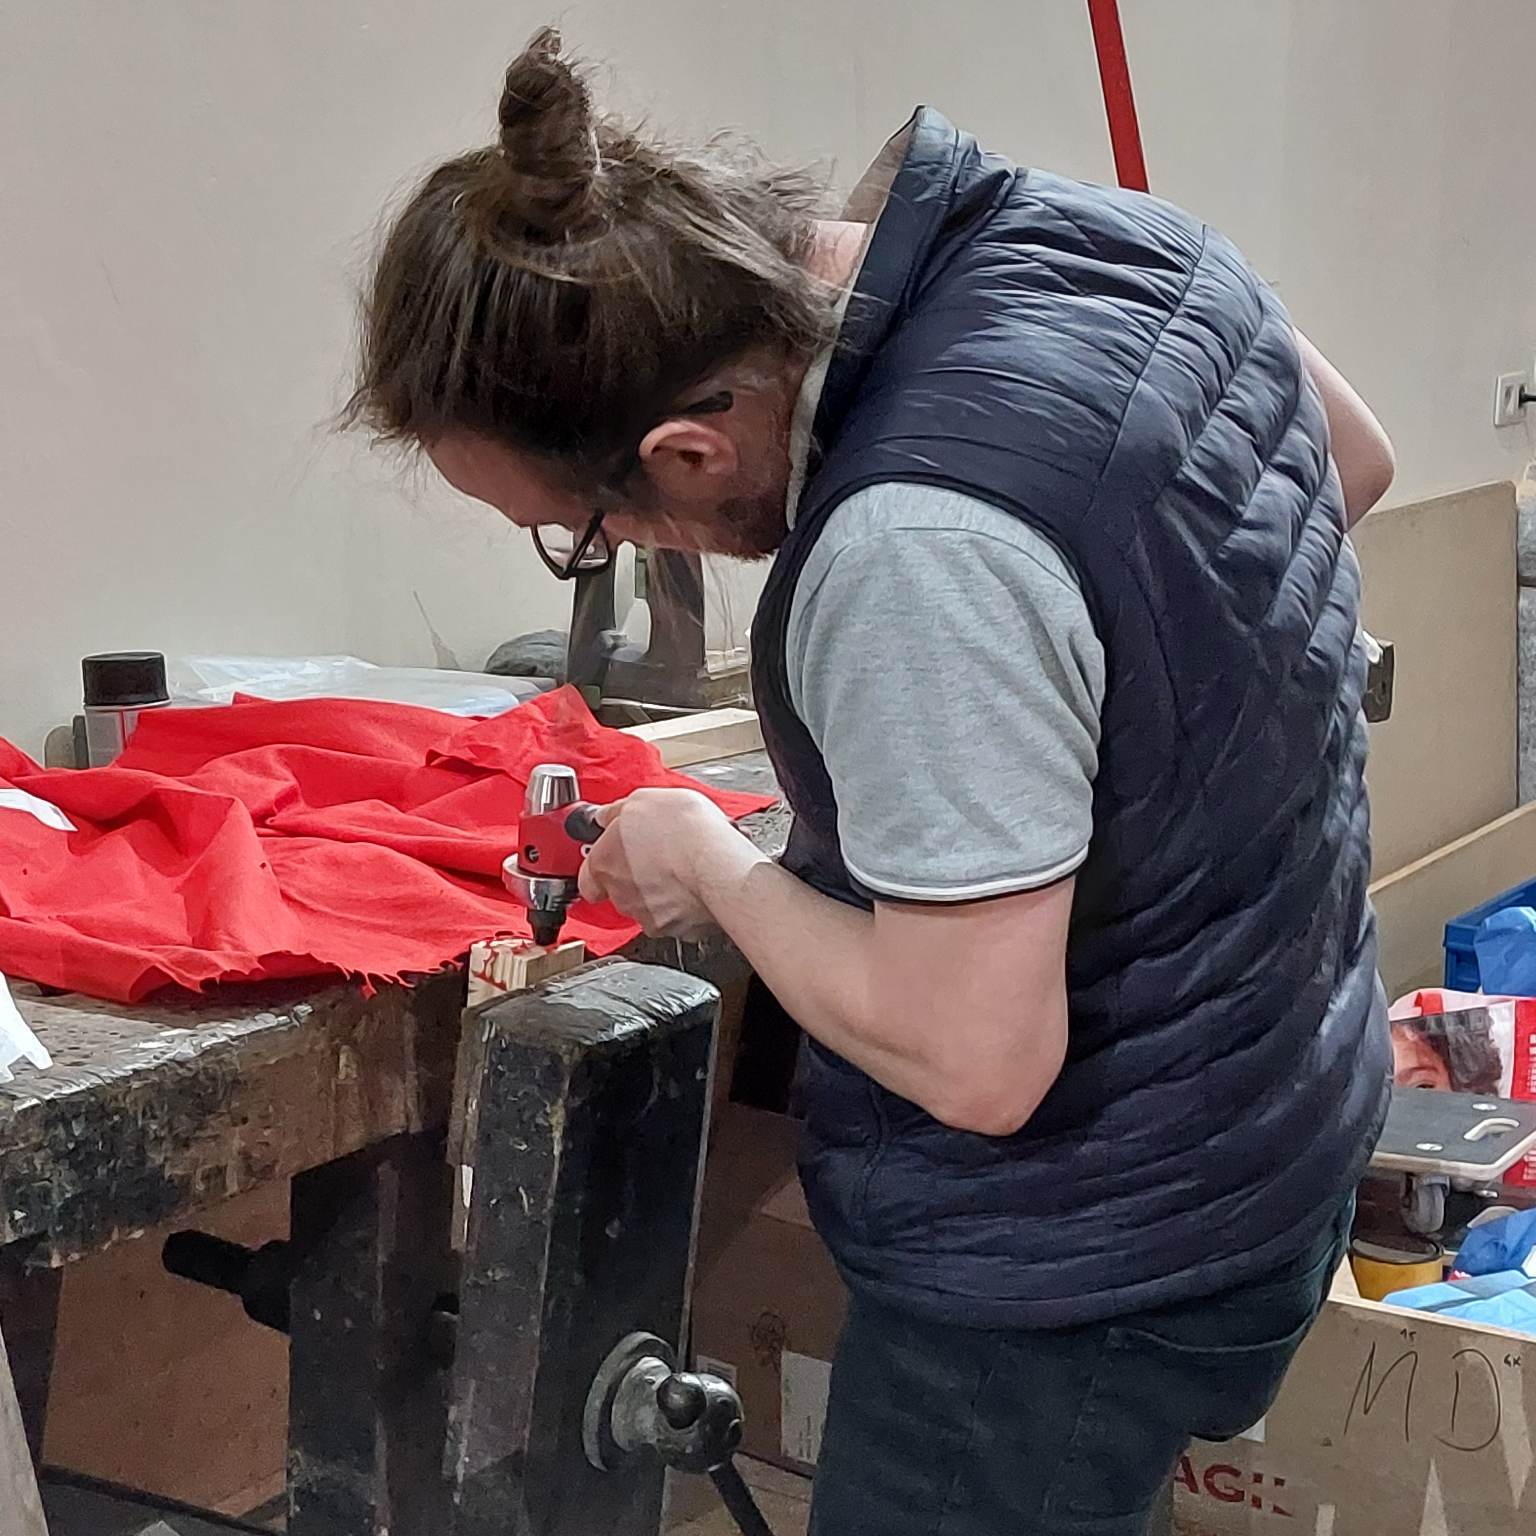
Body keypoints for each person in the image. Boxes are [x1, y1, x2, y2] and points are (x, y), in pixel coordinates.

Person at [347, 30, 1395, 1534]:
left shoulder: (915, 546)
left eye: (582, 530)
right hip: (1270, 1111)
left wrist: (709, 861)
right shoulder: (1098, 240)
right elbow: (1348, 464)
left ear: (688, 451)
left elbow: (978, 1060)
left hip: (1075, 1262)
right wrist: (1057, 743)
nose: (611, 552)